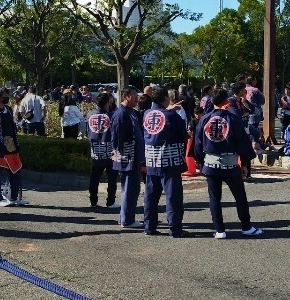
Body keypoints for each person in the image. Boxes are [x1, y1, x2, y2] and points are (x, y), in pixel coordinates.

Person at [194, 89, 263, 239]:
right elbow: (242, 142)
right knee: (240, 196)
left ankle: (220, 230)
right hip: (230, 164)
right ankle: (246, 226)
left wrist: (199, 161)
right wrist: (244, 163)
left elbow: (198, 143)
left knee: (214, 198)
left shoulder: (205, 119)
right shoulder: (233, 119)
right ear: (227, 102)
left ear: (212, 102)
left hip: (211, 164)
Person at [141, 86, 188, 237]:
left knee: (151, 195)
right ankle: (174, 229)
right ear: (165, 99)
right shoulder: (172, 116)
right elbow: (183, 135)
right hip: (169, 160)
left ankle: (149, 226)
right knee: (173, 196)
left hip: (151, 160)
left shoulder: (146, 114)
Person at [0, 89, 25, 207]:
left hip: (10, 145)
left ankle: (13, 197)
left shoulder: (7, 109)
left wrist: (16, 146)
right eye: (5, 96)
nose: (7, 97)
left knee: (15, 171)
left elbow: (12, 127)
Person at [111, 87, 142, 228]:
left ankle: (125, 217)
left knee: (132, 188)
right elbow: (116, 136)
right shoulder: (121, 113)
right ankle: (127, 220)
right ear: (126, 96)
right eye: (134, 96)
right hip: (127, 155)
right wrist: (118, 151)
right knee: (129, 188)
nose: (137, 98)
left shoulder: (131, 112)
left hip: (133, 155)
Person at [87, 92, 117, 210]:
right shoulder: (110, 116)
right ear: (106, 102)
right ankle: (110, 201)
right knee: (112, 177)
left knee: (95, 176)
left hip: (95, 149)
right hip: (110, 149)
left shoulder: (90, 114)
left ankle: (93, 200)